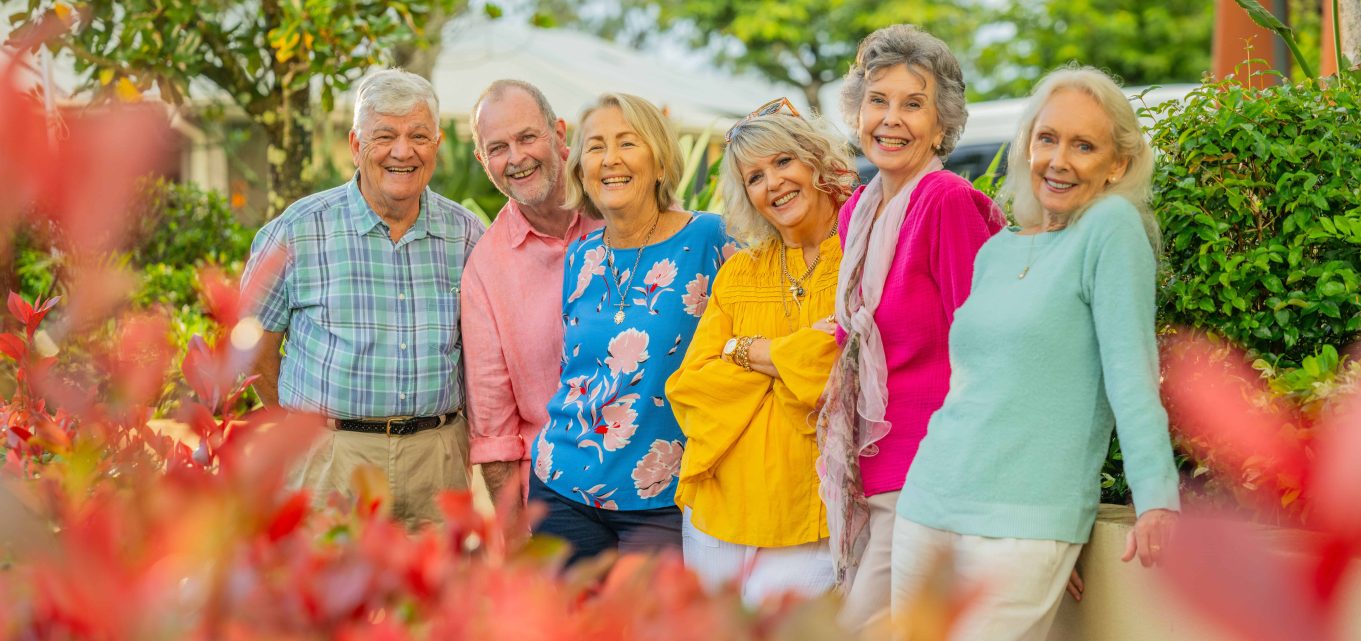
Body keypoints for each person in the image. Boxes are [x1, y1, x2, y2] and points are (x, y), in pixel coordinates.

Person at [890, 66, 1181, 641]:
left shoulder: (1110, 228)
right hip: (929, 501)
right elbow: (977, 383)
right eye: (1047, 138)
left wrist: (1157, 502)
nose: (1058, 159)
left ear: (1117, 164)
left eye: (1084, 145)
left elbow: (1132, 374)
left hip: (1023, 523)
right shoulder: (997, 249)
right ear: (1028, 143)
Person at [243, 68, 486, 529]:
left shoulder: (469, 236)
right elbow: (254, 348)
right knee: (326, 596)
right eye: (385, 136)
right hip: (330, 461)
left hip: (436, 461)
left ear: (436, 145)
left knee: (436, 599)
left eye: (418, 135)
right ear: (356, 146)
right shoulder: (297, 231)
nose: (402, 151)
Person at [820, 24, 1005, 625]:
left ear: (941, 122)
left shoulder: (947, 201)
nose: (891, 120)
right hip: (871, 473)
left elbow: (991, 352)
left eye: (912, 104)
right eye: (878, 101)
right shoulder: (858, 211)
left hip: (931, 478)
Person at [529, 93, 731, 564]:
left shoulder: (712, 239)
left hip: (663, 496)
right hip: (561, 485)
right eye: (595, 147)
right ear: (581, 170)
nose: (610, 159)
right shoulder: (581, 256)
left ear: (660, 163)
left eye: (627, 143)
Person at [666, 101, 856, 604]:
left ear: (815, 162)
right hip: (720, 501)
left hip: (810, 510)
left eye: (783, 162)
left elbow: (840, 375)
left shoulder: (862, 258)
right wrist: (793, 361)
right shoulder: (739, 272)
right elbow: (690, 388)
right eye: (754, 176)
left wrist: (741, 350)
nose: (772, 183)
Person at [462, 80, 601, 515]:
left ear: (559, 134)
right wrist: (513, 540)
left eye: (527, 137)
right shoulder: (486, 268)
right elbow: (494, 430)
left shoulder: (626, 212)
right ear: (482, 161)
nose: (517, 158)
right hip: (557, 500)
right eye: (498, 147)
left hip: (657, 487)